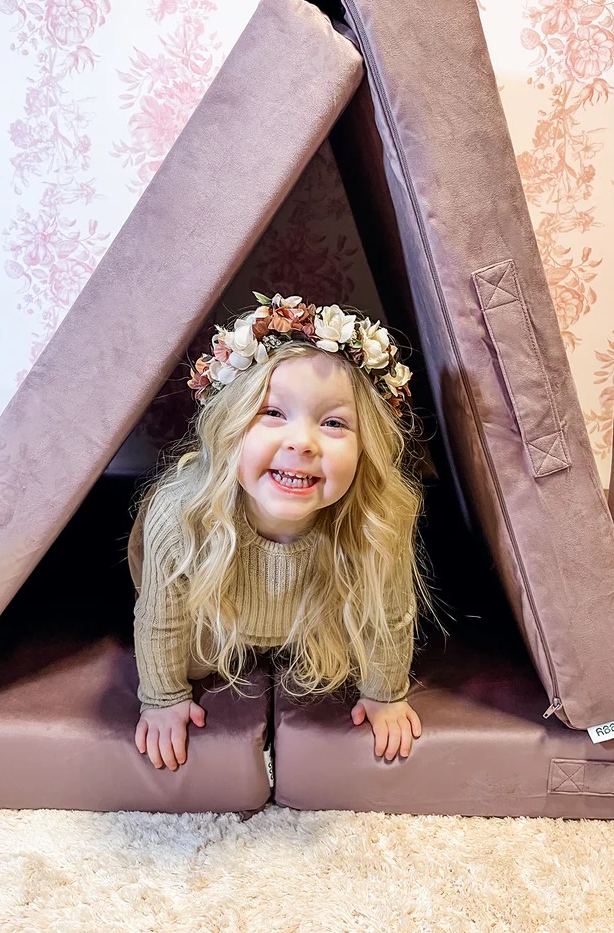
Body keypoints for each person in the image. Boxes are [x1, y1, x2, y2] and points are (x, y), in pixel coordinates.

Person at [128, 290, 445, 773]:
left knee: (340, 655)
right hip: (209, 611)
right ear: (231, 428)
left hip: (308, 610)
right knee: (188, 650)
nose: (302, 442)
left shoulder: (379, 519)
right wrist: (163, 699)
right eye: (273, 413)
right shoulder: (181, 516)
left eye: (334, 422)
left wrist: (385, 695)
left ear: (367, 449)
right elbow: (160, 619)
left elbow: (390, 616)